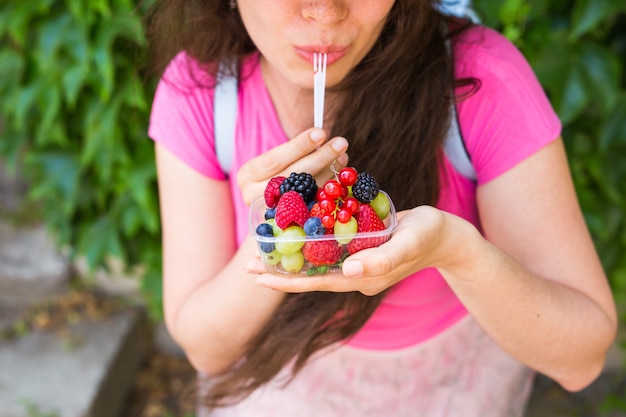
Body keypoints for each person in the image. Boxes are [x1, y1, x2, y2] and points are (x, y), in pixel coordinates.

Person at [146, 1, 618, 416]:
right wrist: (274, 229)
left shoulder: (480, 82)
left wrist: (455, 250)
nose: (326, 12)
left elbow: (581, 358)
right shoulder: (202, 95)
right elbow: (206, 349)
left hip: (449, 391)